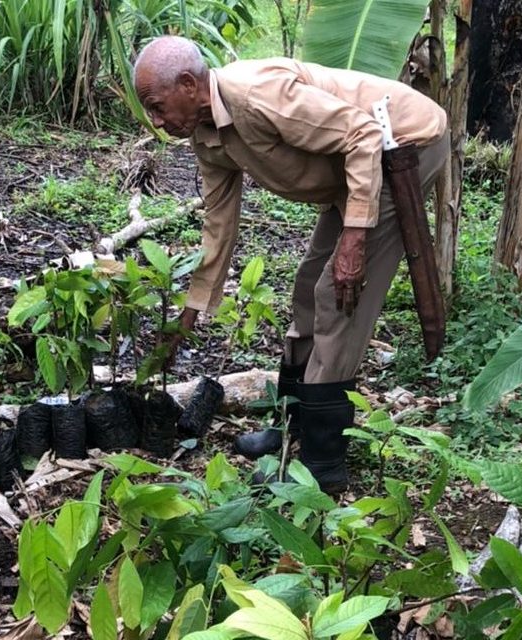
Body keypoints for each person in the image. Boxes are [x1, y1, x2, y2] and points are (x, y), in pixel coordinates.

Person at [132, 36, 448, 493]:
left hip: (403, 147)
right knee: (306, 286)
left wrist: (355, 238)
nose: (156, 122)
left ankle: (322, 465)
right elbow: (218, 223)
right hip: (354, 166)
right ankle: (292, 427)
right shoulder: (206, 131)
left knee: (338, 293)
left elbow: (362, 134)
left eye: (158, 107)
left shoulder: (256, 95)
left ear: (187, 83)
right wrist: (189, 313)